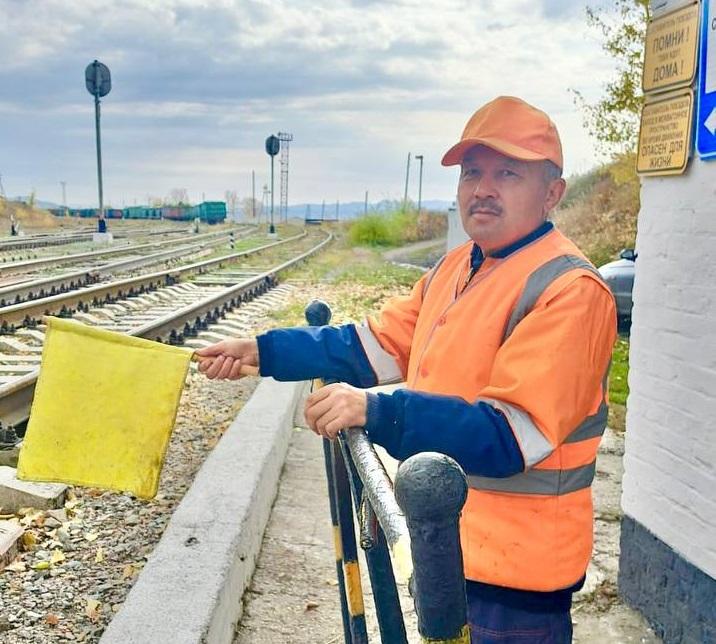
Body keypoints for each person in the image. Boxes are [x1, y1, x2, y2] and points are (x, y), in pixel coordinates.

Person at [196, 96, 616, 643]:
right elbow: (370, 346)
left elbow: (509, 436)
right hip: (443, 545)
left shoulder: (569, 291)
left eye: (508, 173)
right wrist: (265, 350)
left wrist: (375, 409)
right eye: (472, 173)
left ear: (552, 193)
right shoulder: (458, 266)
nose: (483, 188)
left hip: (516, 580)